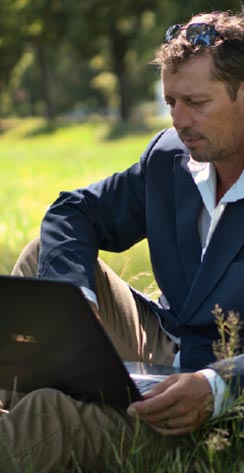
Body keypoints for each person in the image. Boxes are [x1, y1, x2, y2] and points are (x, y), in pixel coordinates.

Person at [1, 9, 244, 473]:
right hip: (164, 352)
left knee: (50, 414)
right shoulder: (170, 158)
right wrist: (79, 296)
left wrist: (219, 386)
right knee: (45, 265)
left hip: (212, 412)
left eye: (196, 102)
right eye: (171, 102)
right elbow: (73, 212)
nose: (179, 120)